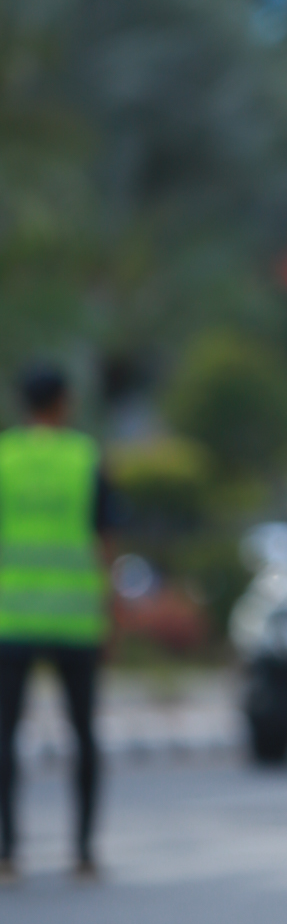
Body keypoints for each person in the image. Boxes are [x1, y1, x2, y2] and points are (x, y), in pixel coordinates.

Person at [0, 363, 112, 880]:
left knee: (5, 737)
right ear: (63, 402)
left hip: (11, 617)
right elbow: (105, 541)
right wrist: (111, 611)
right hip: (75, 618)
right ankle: (83, 851)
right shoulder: (84, 458)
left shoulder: (4, 457)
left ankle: (8, 852)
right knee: (83, 735)